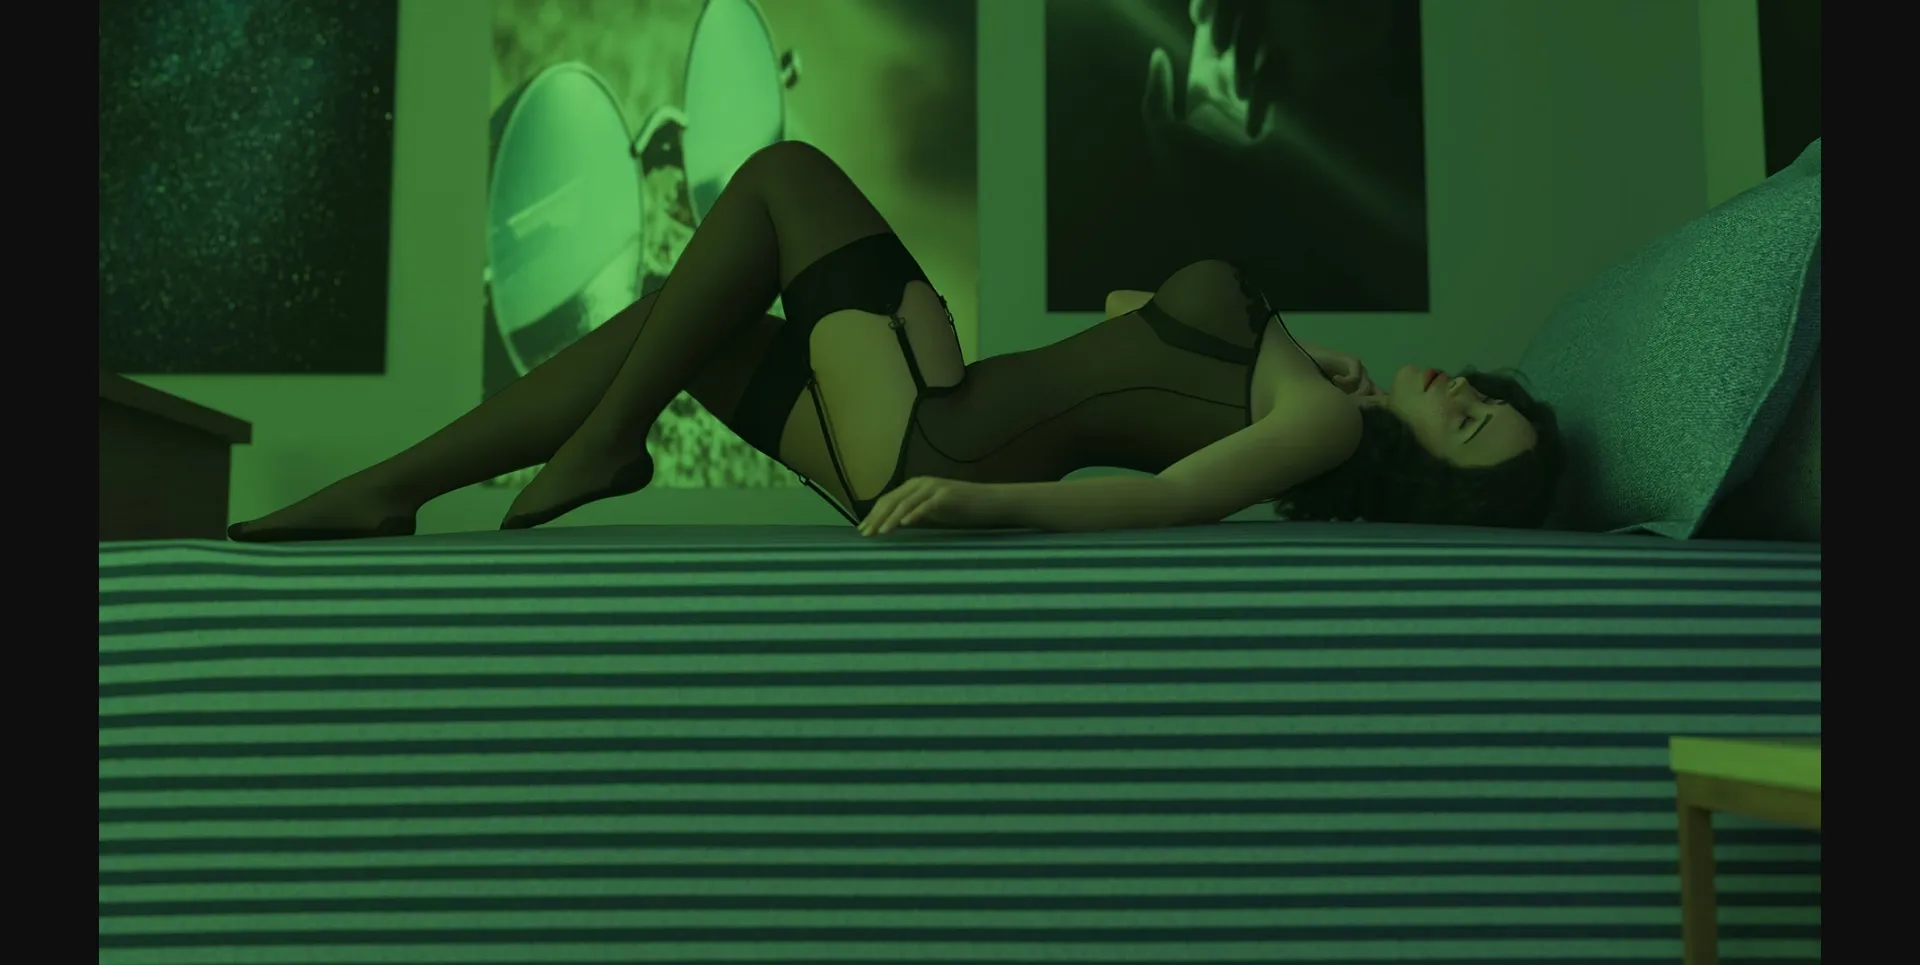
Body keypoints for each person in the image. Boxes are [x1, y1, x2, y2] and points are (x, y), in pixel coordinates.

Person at [227, 141, 1559, 542]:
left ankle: (607, 445)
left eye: (1468, 423)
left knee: (783, 176)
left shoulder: (1313, 429)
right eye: (1484, 394)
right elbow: (1128, 328)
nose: (1458, 388)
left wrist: (981, 503)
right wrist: (1298, 362)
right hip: (941, 410)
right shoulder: (1311, 395)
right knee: (680, 330)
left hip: (939, 449)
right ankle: (396, 489)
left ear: (1429, 476)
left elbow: (1162, 500)